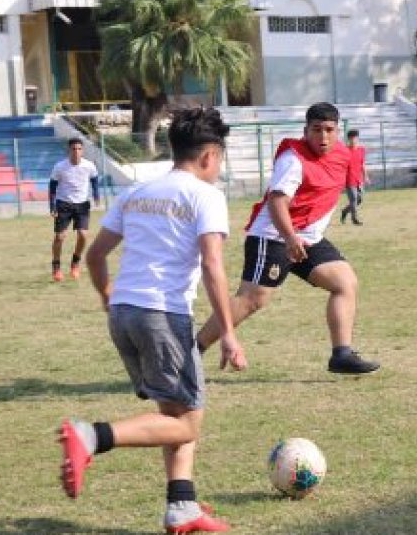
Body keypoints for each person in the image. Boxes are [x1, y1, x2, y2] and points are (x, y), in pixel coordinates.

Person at [60, 107, 247, 534]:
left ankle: (182, 508)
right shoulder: (206, 196)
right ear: (209, 156)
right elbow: (214, 265)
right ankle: (91, 436)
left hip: (125, 313)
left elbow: (95, 255)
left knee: (173, 413)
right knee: (186, 422)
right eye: (220, 158)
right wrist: (229, 334)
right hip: (163, 316)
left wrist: (108, 295)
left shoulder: (137, 193)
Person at [195, 102, 379, 375]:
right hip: (272, 236)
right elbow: (277, 202)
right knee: (252, 299)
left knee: (345, 282)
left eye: (329, 130)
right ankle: (191, 351)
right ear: (305, 130)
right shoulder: (293, 159)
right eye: (316, 130)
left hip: (307, 238)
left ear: (338, 130)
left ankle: (341, 354)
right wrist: (290, 238)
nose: (323, 137)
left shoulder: (342, 154)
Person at [49, 138, 101, 281]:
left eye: (79, 149)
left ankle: (75, 263)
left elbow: (95, 179)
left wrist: (96, 194)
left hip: (82, 204)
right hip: (63, 203)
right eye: (73, 149)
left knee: (83, 235)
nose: (76, 152)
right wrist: (52, 206)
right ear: (69, 150)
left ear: (82, 151)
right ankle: (56, 267)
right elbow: (52, 186)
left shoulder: (89, 166)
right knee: (60, 237)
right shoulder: (60, 167)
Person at [339, 128, 369, 226]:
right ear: (348, 139)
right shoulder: (345, 151)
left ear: (357, 139)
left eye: (355, 138)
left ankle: (344, 211)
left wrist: (366, 176)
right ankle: (354, 219)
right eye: (351, 139)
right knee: (353, 199)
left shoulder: (362, 150)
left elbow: (363, 164)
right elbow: (341, 166)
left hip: (358, 179)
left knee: (359, 200)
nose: (353, 140)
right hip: (349, 180)